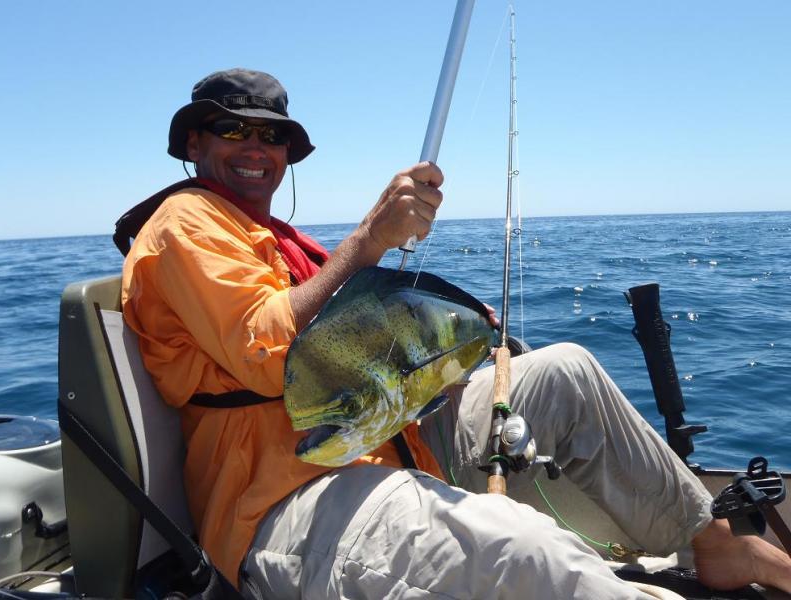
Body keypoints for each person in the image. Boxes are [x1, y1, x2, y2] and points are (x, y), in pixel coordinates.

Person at [120, 68, 791, 599]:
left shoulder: (281, 240)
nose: (255, 148)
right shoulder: (185, 224)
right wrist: (370, 238)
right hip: (283, 495)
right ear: (194, 145)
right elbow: (267, 353)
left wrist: (443, 357)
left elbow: (363, 346)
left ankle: (718, 545)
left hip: (377, 441)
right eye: (232, 130)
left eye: (271, 136)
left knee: (564, 371)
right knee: (521, 550)